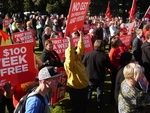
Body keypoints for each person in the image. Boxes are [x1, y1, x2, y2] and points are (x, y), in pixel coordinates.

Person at [64, 31, 89, 113]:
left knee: (84, 106)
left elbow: (80, 49)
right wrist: (70, 42)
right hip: (76, 89)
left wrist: (81, 36)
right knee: (77, 108)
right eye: (74, 53)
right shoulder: (70, 65)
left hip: (84, 87)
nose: (76, 54)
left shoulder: (78, 59)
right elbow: (70, 57)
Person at [83, 39, 112, 109]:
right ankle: (100, 105)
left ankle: (86, 104)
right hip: (100, 77)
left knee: (89, 91)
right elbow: (109, 66)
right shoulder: (104, 56)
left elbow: (83, 64)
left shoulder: (88, 54)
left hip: (89, 76)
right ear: (102, 47)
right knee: (100, 92)